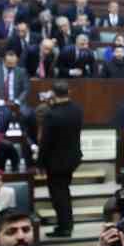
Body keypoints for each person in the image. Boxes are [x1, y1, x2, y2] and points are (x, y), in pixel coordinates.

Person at [38, 80, 83, 237]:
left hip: (56, 162)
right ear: (68, 92)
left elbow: (45, 142)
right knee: (64, 191)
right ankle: (66, 224)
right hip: (73, 158)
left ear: (53, 93)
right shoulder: (77, 109)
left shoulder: (51, 114)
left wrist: (40, 163)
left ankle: (64, 227)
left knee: (59, 195)